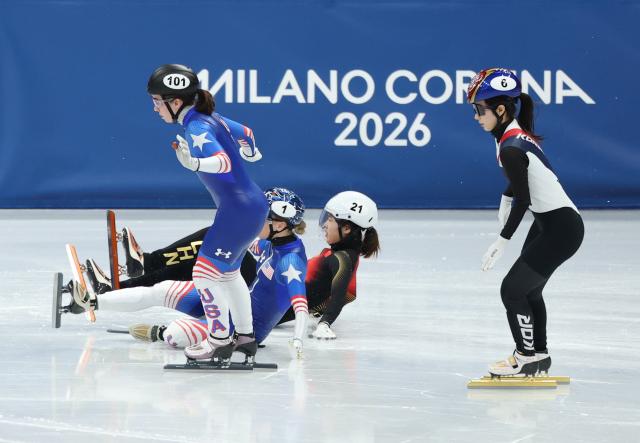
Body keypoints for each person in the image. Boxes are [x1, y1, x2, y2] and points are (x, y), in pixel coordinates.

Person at [68, 188, 309, 358]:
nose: (254, 222)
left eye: (260, 218)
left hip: (243, 331)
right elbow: (243, 241)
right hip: (229, 304)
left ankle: (160, 333)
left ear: (279, 225)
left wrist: (298, 340)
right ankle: (92, 301)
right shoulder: (270, 243)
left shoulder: (291, 261)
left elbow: (300, 306)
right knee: (161, 290)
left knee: (174, 334)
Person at [467, 68, 584, 376]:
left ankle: (525, 356)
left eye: (479, 109)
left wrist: (503, 239)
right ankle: (538, 355)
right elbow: (521, 184)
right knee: (528, 291)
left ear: (500, 109)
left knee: (512, 291)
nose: (476, 116)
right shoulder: (511, 136)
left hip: (560, 230)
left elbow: (523, 197)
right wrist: (506, 199)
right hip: (553, 223)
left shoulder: (510, 146)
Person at [148, 63, 267, 363]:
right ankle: (245, 336)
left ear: (175, 102)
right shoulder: (209, 117)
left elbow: (223, 163)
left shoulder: (197, 126)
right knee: (227, 274)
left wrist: (196, 165)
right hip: (252, 205)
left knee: (203, 273)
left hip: (237, 212)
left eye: (156, 102)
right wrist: (251, 152)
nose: (154, 109)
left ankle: (217, 340)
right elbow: (248, 133)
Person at [279, 191, 380, 340]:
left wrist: (324, 324)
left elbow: (338, 296)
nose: (325, 224)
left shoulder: (342, 259)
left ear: (346, 228)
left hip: (266, 305)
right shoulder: (341, 255)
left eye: (330, 220)